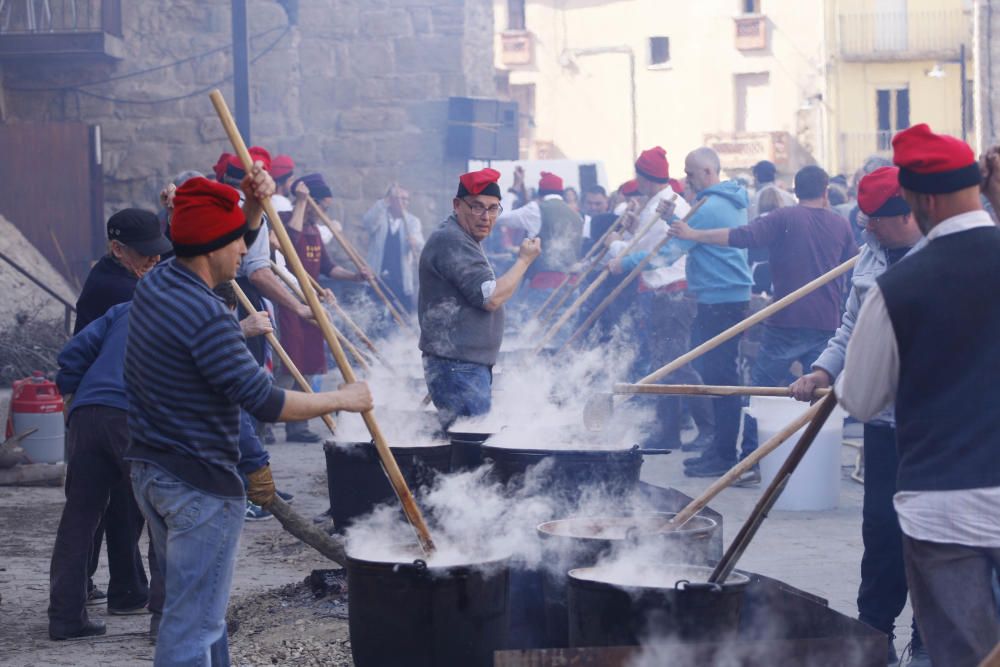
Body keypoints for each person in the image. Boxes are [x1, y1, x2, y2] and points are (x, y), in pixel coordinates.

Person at [125, 171, 373, 665]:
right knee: (191, 630)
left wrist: (256, 210)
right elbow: (266, 401)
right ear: (213, 246)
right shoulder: (207, 315)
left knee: (202, 615)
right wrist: (343, 399)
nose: (246, 250)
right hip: (199, 484)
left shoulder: (158, 281)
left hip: (153, 472)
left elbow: (228, 248)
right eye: (238, 240)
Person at [836, 124, 1000, 667]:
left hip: (942, 509)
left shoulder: (897, 289)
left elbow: (860, 399)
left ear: (924, 200)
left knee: (961, 655)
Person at [789, 167, 927, 664]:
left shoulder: (946, 258)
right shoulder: (870, 255)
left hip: (936, 426)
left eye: (876, 222)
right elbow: (850, 326)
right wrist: (825, 371)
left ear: (909, 215)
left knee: (929, 531)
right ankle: (875, 631)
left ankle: (929, 636)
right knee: (881, 527)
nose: (865, 230)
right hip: (884, 423)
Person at [611, 147, 752, 478]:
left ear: (706, 172)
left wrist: (625, 263)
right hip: (720, 296)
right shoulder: (724, 201)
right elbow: (689, 238)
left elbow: (669, 253)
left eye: (689, 173)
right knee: (716, 374)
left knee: (719, 378)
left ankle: (722, 453)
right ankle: (719, 448)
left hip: (720, 298)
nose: (685, 180)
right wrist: (671, 220)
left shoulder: (710, 205)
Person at [69, 209, 171, 622]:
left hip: (89, 403)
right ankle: (128, 590)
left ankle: (82, 594)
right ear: (117, 249)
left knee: (92, 506)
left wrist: (172, 211)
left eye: (157, 252)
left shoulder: (121, 276)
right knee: (127, 503)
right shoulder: (119, 291)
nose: (155, 261)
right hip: (115, 405)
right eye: (146, 254)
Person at [418, 168, 541, 429]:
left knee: (466, 448)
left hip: (462, 365)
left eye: (493, 208)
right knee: (471, 451)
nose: (486, 217)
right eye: (477, 207)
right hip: (459, 366)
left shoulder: (461, 237)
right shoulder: (452, 240)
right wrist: (524, 261)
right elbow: (491, 298)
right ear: (457, 205)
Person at [276, 173, 370, 442]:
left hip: (311, 303)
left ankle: (298, 427)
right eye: (323, 206)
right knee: (288, 364)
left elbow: (327, 267)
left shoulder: (315, 230)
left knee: (306, 364)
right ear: (311, 201)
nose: (324, 213)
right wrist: (302, 204)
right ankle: (266, 423)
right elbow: (288, 245)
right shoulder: (285, 221)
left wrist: (354, 276)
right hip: (289, 302)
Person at [496, 171, 582, 322]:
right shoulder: (576, 216)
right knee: (559, 338)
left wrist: (514, 189)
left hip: (544, 284)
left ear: (540, 193)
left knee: (531, 333)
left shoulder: (536, 209)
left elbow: (499, 216)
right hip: (571, 286)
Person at [363, 183, 425, 315]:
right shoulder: (380, 217)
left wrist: (415, 242)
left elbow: (421, 243)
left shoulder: (412, 221)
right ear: (390, 200)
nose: (404, 202)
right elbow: (368, 223)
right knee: (374, 316)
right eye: (400, 198)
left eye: (406, 199)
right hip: (377, 277)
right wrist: (383, 202)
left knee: (402, 317)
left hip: (401, 280)